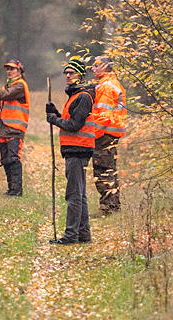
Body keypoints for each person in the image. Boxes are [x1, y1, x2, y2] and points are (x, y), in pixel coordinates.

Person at [45, 59, 96, 245]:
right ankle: (83, 235)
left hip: (79, 150)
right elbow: (70, 121)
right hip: (76, 149)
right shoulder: (76, 96)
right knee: (79, 194)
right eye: (66, 73)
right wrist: (57, 114)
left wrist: (54, 120)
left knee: (73, 194)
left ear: (80, 75)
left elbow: (74, 125)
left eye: (72, 73)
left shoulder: (83, 96)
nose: (67, 75)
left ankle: (70, 236)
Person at [0, 60, 30, 196]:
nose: (9, 71)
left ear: (19, 71)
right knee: (6, 160)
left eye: (12, 69)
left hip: (15, 128)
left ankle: (17, 190)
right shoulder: (6, 87)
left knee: (14, 158)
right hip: (3, 128)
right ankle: (11, 189)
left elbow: (4, 96)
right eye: (7, 69)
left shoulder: (20, 86)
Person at [89, 56, 126, 216]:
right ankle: (113, 207)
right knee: (110, 170)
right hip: (111, 133)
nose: (92, 68)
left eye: (96, 66)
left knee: (102, 170)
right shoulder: (112, 83)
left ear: (105, 67)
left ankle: (107, 208)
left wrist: (93, 134)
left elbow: (102, 116)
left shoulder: (105, 87)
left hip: (104, 134)